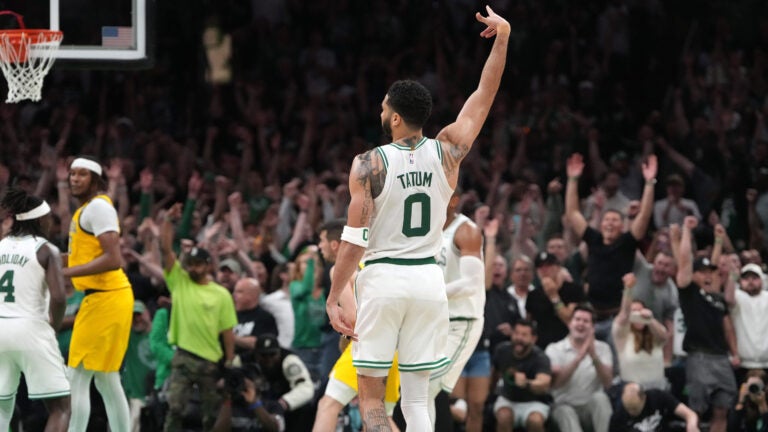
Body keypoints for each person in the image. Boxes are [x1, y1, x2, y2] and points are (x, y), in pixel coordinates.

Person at [326, 7, 510, 430]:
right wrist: (502, 37)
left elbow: (353, 238)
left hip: (385, 279)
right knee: (417, 402)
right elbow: (485, 94)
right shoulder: (449, 151)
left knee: (371, 401)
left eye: (382, 108)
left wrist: (336, 294)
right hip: (429, 283)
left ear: (393, 116)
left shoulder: (367, 164)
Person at [63, 156, 133, 432]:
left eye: (82, 174)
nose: (74, 179)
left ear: (95, 179)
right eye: (72, 174)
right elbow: (80, 257)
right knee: (106, 378)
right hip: (109, 296)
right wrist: (44, 259)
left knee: (77, 375)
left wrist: (65, 274)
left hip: (106, 296)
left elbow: (113, 258)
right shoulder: (87, 210)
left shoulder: (98, 209)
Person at [160, 202, 238, 431]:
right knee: (174, 408)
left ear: (208, 265)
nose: (193, 268)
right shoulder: (179, 282)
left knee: (210, 415)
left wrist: (230, 360)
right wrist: (167, 221)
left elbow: (227, 331)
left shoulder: (221, 294)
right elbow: (165, 250)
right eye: (190, 264)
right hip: (183, 356)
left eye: (197, 264)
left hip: (210, 361)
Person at [564, 152, 657, 341]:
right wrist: (573, 180)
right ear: (601, 224)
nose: (610, 223)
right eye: (607, 219)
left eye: (615, 220)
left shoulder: (627, 242)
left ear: (622, 226)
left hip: (617, 316)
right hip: (591, 314)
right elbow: (573, 213)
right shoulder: (594, 239)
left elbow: (644, 216)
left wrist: (649, 184)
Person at [0, 188, 70, 432]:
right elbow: (60, 298)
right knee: (61, 407)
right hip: (30, 327)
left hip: (1, 327)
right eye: (49, 216)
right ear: (40, 219)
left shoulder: (1, 246)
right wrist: (54, 326)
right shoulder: (46, 249)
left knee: (1, 406)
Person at [675, 216, 737, 432]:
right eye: (702, 273)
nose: (708, 276)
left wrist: (719, 241)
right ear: (694, 276)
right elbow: (684, 262)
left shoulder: (716, 298)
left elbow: (714, 268)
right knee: (696, 411)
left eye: (711, 272)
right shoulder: (689, 292)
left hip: (721, 357)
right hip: (699, 356)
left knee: (723, 409)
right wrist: (686, 231)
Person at [429, 189, 485, 427]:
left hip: (461, 322)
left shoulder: (467, 231)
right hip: (431, 320)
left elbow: (472, 284)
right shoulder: (424, 230)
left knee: (426, 389)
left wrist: (432, 293)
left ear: (453, 201)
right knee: (418, 392)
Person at [545, 304, 613, 432]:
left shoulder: (603, 348)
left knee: (601, 399)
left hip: (590, 408)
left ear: (592, 327)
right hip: (564, 406)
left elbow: (608, 383)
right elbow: (556, 384)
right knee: (565, 411)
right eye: (577, 320)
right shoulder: (554, 349)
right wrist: (579, 358)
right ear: (570, 324)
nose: (580, 324)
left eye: (586, 321)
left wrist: (593, 356)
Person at [492, 319, 552, 432]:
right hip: (507, 399)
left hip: (535, 402)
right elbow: (493, 373)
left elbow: (544, 382)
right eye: (516, 333)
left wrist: (527, 383)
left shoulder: (541, 357)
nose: (519, 338)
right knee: (504, 417)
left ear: (533, 339)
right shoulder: (502, 350)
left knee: (535, 421)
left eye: (524, 335)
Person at [612, 273, 668, 390]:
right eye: (634, 312)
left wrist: (650, 320)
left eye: (640, 311)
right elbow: (624, 314)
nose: (638, 315)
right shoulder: (622, 335)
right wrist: (629, 290)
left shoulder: (654, 331)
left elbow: (664, 337)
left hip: (656, 388)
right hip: (631, 389)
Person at [253, 333, 316, 431]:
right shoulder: (247, 360)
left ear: (279, 352)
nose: (268, 359)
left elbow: (306, 388)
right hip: (257, 408)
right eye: (263, 355)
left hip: (289, 412)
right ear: (256, 355)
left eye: (272, 354)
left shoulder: (289, 361)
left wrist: (283, 403)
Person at [526, 251, 586, 349]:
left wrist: (554, 296)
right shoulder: (533, 295)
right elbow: (528, 323)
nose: (544, 270)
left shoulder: (574, 290)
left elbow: (569, 320)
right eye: (540, 267)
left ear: (558, 267)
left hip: (568, 345)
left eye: (548, 266)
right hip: (542, 346)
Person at [609, 382, 699, 431]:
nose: (631, 412)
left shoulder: (656, 397)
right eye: (628, 408)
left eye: (634, 409)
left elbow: (690, 414)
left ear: (643, 397)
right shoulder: (618, 418)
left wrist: (691, 425)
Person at [233, 277, 279, 363]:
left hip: (252, 365)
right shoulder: (230, 315)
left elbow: (259, 343)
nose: (234, 295)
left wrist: (229, 337)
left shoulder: (265, 318)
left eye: (239, 292)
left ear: (252, 295)